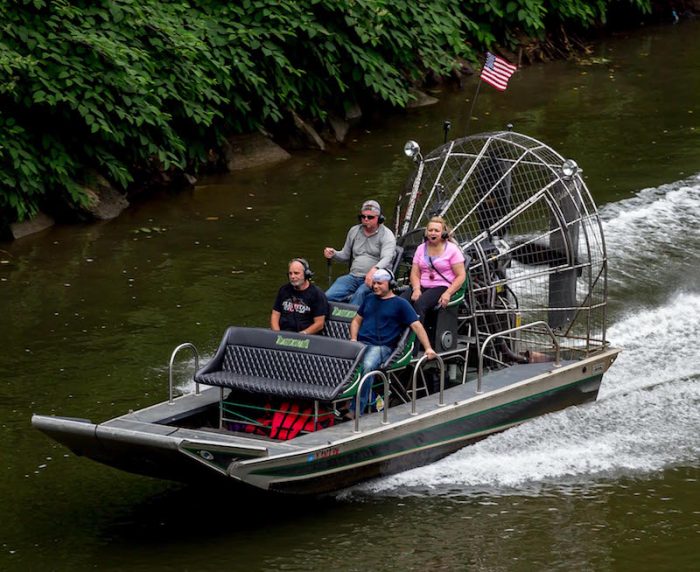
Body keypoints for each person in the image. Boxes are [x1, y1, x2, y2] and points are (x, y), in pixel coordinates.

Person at [349, 268, 437, 415]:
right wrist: (353, 339)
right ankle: (372, 398)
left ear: (390, 284)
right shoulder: (369, 299)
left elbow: (417, 326)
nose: (375, 286)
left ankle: (356, 410)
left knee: (367, 366)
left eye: (380, 283)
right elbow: (356, 321)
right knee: (343, 364)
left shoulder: (400, 304)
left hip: (382, 346)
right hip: (361, 343)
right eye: (374, 283)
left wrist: (428, 348)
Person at [323, 199, 396, 307]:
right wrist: (334, 254)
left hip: (375, 279)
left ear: (379, 218)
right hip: (353, 276)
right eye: (363, 216)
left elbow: (387, 258)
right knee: (327, 296)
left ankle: (351, 322)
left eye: (370, 217)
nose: (366, 219)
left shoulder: (387, 235)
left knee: (360, 294)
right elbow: (345, 255)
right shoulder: (354, 231)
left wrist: (374, 270)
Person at [402, 216, 466, 321]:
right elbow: (415, 273)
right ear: (426, 232)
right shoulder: (421, 248)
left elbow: (461, 275)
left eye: (436, 230)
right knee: (401, 302)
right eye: (430, 230)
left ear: (443, 233)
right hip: (423, 284)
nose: (432, 233)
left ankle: (417, 336)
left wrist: (448, 293)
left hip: (442, 286)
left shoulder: (452, 250)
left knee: (420, 305)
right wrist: (416, 289)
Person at [271, 258, 328, 335]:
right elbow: (275, 315)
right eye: (290, 273)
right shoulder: (284, 290)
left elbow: (319, 324)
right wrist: (276, 334)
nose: (292, 276)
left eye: (296, 273)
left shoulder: (317, 294)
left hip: (305, 337)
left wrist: (302, 334)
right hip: (282, 334)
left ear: (306, 274)